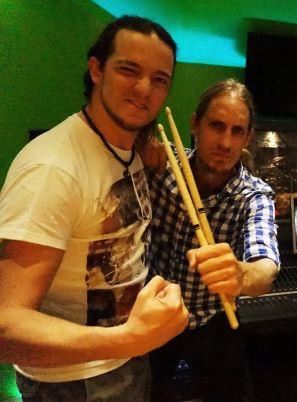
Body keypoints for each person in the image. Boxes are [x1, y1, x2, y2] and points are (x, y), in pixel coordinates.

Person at [0, 16, 190, 401]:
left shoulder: (128, 150)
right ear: (96, 69)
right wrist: (130, 338)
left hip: (125, 360)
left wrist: (133, 341)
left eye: (159, 79)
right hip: (72, 382)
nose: (144, 89)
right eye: (129, 70)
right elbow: (6, 328)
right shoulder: (51, 168)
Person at [146, 79, 280, 402]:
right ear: (195, 123)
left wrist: (241, 274)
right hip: (152, 313)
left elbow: (266, 267)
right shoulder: (162, 167)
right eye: (216, 126)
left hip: (212, 320)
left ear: (248, 137)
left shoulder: (254, 196)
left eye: (237, 131)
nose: (225, 142)